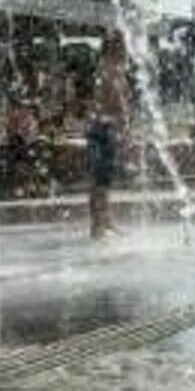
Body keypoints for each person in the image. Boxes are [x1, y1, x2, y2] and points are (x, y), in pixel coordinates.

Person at [88, 31, 128, 239]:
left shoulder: (109, 70)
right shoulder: (109, 72)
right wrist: (123, 121)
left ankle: (105, 221)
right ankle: (98, 225)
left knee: (103, 181)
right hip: (104, 128)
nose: (125, 49)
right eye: (121, 45)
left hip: (103, 127)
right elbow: (114, 102)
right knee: (101, 181)